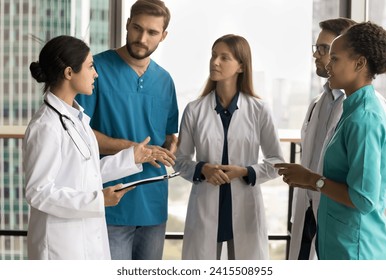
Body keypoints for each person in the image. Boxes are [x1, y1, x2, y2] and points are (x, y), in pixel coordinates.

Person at [24, 35, 154, 260]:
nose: (96, 73)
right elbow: (38, 192)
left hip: (85, 240)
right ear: (68, 73)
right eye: (90, 66)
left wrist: (131, 158)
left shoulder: (78, 119)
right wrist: (98, 200)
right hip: (59, 247)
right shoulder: (46, 126)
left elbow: (87, 172)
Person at [277, 21, 386, 260]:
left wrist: (311, 179)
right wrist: (307, 180)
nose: (328, 64)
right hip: (337, 242)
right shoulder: (352, 109)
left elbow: (365, 198)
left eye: (335, 59)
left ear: (359, 63)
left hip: (359, 249)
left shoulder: (366, 117)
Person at [75, 0, 178, 260]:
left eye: (152, 32)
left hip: (153, 204)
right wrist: (133, 149)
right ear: (127, 25)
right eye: (137, 28)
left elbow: (168, 136)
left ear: (163, 36)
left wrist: (173, 145)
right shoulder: (95, 70)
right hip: (111, 201)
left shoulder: (165, 81)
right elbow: (79, 135)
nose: (142, 38)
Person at [174, 34, 285, 260]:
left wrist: (245, 171)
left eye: (224, 57)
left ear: (241, 66)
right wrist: (203, 169)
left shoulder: (259, 110)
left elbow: (276, 162)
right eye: (214, 55)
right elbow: (180, 160)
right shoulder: (194, 110)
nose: (215, 62)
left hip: (245, 209)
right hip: (205, 207)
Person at [289, 18, 356, 260]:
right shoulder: (317, 103)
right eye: (316, 48)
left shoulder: (364, 109)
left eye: (325, 49)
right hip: (308, 214)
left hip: (338, 218)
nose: (316, 55)